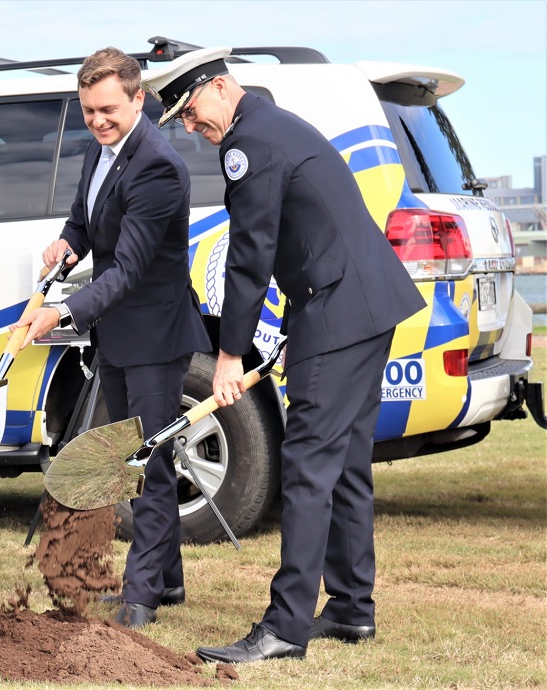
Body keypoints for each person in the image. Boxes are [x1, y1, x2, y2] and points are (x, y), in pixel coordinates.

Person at [142, 47, 426, 662]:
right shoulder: (272, 126)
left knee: (305, 467)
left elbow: (251, 256)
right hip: (357, 305)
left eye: (190, 111)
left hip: (340, 309)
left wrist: (228, 357)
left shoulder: (249, 145)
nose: (190, 127)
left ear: (219, 88)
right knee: (345, 462)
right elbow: (311, 236)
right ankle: (351, 609)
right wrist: (302, 326)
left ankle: (285, 627)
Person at [13, 47, 211, 629]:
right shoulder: (100, 153)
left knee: (149, 463)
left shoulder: (157, 165)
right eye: (88, 110)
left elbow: (127, 269)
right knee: (138, 456)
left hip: (155, 335)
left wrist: (60, 313)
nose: (97, 120)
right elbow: (84, 220)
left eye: (107, 110)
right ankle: (166, 580)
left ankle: (141, 596)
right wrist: (65, 244)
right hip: (120, 336)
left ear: (138, 98)